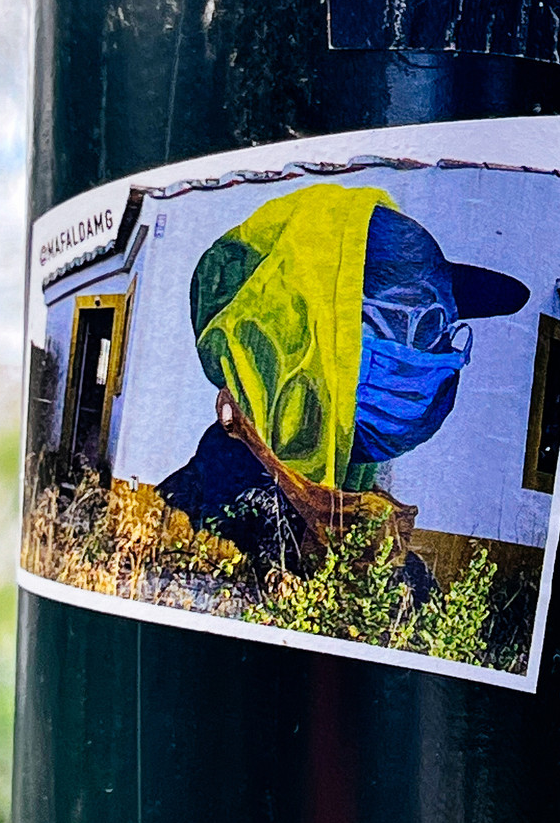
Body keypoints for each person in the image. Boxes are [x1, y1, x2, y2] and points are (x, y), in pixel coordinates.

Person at [157, 182, 528, 563]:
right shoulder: (190, 528)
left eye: (442, 329)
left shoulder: (369, 527)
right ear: (300, 331)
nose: (437, 356)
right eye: (418, 323)